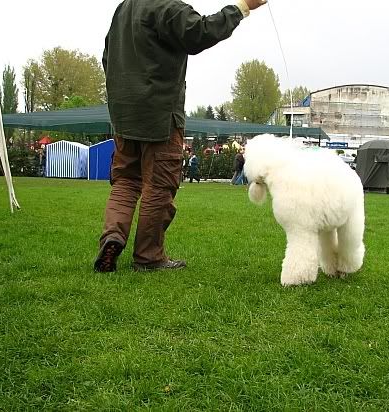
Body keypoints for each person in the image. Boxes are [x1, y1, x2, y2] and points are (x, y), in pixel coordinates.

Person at [94, 0, 268, 273]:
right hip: (160, 114)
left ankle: (113, 237)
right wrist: (242, 7)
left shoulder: (124, 8)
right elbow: (200, 32)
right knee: (159, 186)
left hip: (124, 115)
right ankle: (149, 257)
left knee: (125, 181)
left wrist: (126, 94)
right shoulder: (166, 5)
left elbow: (108, 58)